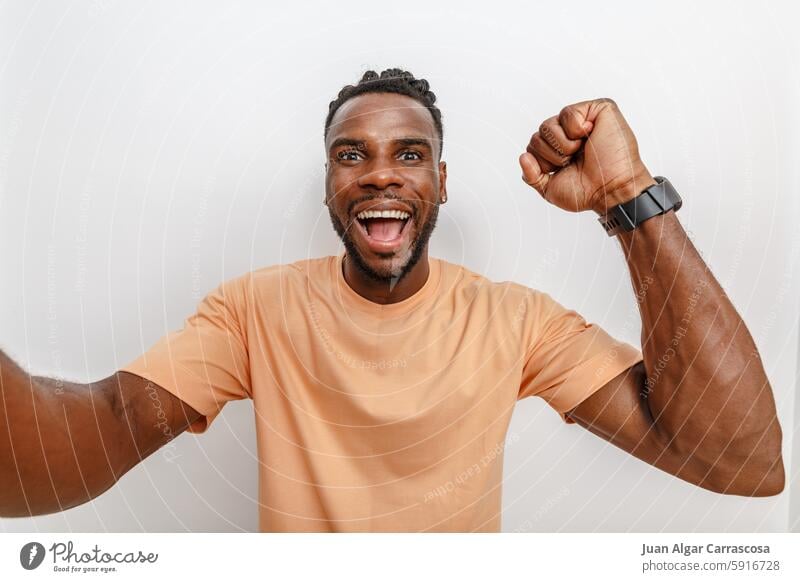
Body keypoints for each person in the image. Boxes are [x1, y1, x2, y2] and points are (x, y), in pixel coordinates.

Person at [0, 68, 784, 532]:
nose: (380, 174)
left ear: (441, 182)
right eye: (353, 155)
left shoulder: (516, 320)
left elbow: (742, 463)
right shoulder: (255, 310)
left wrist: (626, 194)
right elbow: (91, 436)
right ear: (332, 186)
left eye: (410, 154)